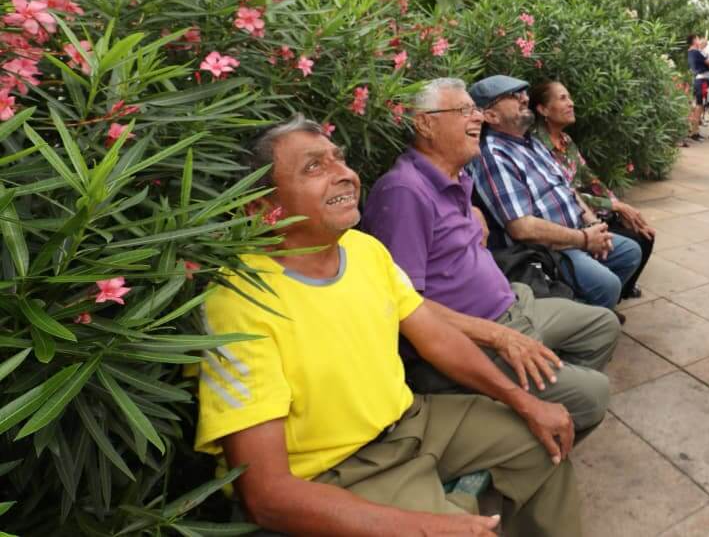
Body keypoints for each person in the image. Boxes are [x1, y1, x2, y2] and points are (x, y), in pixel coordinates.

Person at [195, 116, 581, 537]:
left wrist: (522, 400)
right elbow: (265, 495)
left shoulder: (363, 250)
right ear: (262, 208)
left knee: (545, 443)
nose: (344, 174)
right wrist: (425, 528)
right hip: (338, 470)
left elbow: (437, 338)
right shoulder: (237, 300)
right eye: (314, 167)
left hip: (412, 421)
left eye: (338, 160)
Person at [363, 78, 621, 432]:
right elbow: (405, 307)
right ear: (425, 123)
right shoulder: (403, 193)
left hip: (513, 305)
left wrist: (474, 211)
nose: (477, 119)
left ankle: (540, 403)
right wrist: (499, 337)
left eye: (476, 110)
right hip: (478, 338)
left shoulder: (451, 178)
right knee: (595, 396)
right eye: (464, 111)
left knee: (602, 326)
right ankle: (521, 423)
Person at [470, 75, 642, 310]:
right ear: (491, 115)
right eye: (513, 96)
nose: (524, 98)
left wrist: (594, 226)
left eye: (524, 93)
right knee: (608, 285)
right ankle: (584, 321)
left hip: (577, 232)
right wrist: (583, 240)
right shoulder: (494, 155)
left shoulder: (531, 142)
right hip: (548, 249)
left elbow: (568, 188)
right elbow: (522, 228)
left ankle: (589, 312)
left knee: (630, 252)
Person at [529, 79, 654, 298]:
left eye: (569, 97)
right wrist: (613, 206)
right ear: (543, 109)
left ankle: (619, 292)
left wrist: (619, 205)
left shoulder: (566, 140)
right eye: (562, 98)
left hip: (591, 211)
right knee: (634, 242)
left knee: (643, 233)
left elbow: (590, 179)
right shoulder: (536, 146)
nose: (571, 103)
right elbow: (564, 192)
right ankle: (603, 297)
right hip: (571, 220)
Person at [685, 34, 709, 142]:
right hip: (702, 81)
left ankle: (695, 131)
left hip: (700, 80)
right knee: (699, 106)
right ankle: (694, 132)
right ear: (693, 41)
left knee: (699, 106)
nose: (699, 40)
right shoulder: (695, 52)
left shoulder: (692, 52)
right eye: (697, 38)